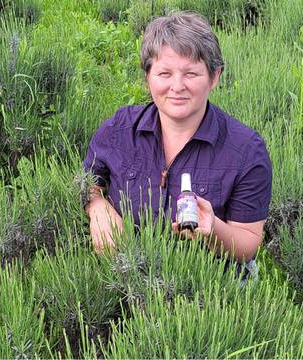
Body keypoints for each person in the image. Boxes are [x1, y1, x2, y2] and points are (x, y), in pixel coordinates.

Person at [83, 11, 272, 278]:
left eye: (191, 73)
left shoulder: (246, 150)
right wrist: (97, 206)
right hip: (123, 280)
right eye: (164, 73)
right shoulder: (118, 129)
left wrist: (213, 230)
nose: (177, 86)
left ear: (214, 77)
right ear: (148, 77)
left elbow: (249, 243)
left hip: (209, 292)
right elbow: (88, 182)